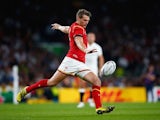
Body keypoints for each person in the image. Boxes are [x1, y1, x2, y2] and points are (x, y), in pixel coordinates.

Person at [16, 9, 114, 114]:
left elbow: (67, 29)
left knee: (96, 81)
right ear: (79, 18)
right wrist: (85, 49)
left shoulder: (74, 26)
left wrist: (59, 27)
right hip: (71, 61)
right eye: (85, 20)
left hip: (79, 63)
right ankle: (26, 90)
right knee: (51, 82)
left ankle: (98, 108)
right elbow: (78, 41)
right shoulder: (78, 29)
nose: (87, 22)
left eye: (88, 20)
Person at [76, 32, 104, 108]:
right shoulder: (83, 45)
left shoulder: (98, 47)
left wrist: (100, 68)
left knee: (93, 84)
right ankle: (81, 101)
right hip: (83, 66)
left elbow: (101, 58)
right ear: (87, 37)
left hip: (93, 68)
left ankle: (91, 99)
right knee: (82, 83)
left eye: (92, 37)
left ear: (94, 38)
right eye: (89, 36)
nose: (91, 38)